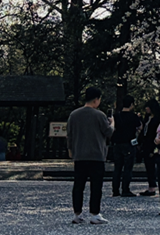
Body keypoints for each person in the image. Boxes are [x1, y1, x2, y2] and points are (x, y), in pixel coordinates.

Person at [67, 86, 115, 225]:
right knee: (96, 186)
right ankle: (95, 213)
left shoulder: (74, 115)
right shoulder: (99, 115)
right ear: (96, 99)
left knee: (78, 186)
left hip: (80, 154)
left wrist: (71, 149)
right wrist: (112, 124)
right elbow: (108, 132)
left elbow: (69, 135)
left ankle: (77, 213)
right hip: (96, 155)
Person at [111, 94, 142, 197]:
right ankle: (125, 189)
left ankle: (115, 190)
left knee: (117, 167)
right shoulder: (133, 117)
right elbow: (139, 127)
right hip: (129, 143)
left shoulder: (116, 116)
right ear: (132, 105)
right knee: (128, 168)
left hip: (117, 143)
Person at [138, 100, 160, 196]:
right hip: (146, 143)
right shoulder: (147, 118)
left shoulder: (156, 120)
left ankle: (152, 186)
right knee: (148, 165)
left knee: (151, 165)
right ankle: (151, 185)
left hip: (152, 143)